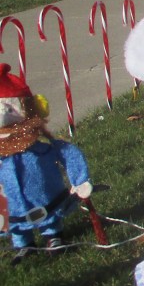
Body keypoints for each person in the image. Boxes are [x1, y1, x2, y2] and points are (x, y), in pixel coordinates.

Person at [0, 64, 92, 262]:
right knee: (16, 221)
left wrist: (80, 179)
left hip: (46, 196)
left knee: (48, 212)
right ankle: (23, 244)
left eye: (8, 109)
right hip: (11, 205)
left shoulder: (41, 147)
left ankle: (53, 235)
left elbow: (67, 153)